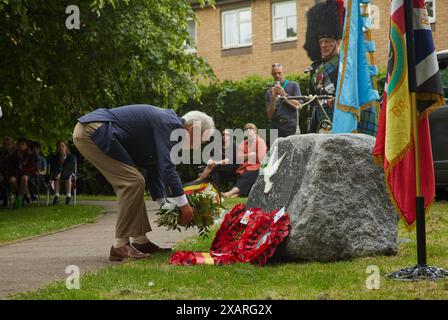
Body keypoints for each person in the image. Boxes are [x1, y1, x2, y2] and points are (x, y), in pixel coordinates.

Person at [73, 104, 215, 261]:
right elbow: (168, 169)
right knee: (133, 182)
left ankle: (140, 241)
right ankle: (120, 245)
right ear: (192, 128)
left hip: (94, 130)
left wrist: (166, 206)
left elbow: (153, 170)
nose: (200, 145)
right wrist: (184, 205)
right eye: (202, 139)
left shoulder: (169, 125)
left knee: (135, 182)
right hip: (94, 131)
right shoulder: (171, 124)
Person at [303, 0, 343, 134]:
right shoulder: (315, 68)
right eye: (321, 41)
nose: (323, 45)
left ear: (337, 42)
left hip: (338, 122)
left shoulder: (344, 65)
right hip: (319, 124)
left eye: (328, 41)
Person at [223, 123, 267, 198]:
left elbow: (261, 158)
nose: (248, 130)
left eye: (251, 128)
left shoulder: (260, 142)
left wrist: (245, 156)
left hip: (257, 167)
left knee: (250, 172)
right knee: (244, 173)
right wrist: (251, 154)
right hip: (243, 168)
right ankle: (237, 194)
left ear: (255, 130)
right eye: (246, 129)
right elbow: (239, 158)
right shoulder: (243, 143)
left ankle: (230, 193)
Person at [265, 63, 302, 138]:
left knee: (291, 149)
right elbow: (269, 115)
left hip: (290, 126)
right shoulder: (269, 91)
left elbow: (299, 106)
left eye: (279, 73)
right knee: (275, 149)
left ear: (283, 72)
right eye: (275, 73)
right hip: (274, 127)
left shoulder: (293, 85)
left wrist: (284, 95)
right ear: (271, 74)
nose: (277, 76)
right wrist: (273, 100)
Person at [8, 138, 36, 206]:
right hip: (16, 174)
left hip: (27, 175)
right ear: (16, 145)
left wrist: (22, 172)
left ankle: (20, 199)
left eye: (23, 144)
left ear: (26, 146)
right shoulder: (13, 156)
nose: (21, 146)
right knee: (12, 180)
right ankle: (24, 193)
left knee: (24, 178)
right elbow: (11, 168)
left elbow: (31, 168)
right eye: (19, 144)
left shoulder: (30, 155)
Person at [48, 141, 76, 205]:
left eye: (63, 146)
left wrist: (62, 173)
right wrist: (58, 173)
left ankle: (68, 196)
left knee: (68, 177)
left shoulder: (71, 157)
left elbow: (70, 168)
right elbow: (54, 168)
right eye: (59, 146)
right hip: (57, 173)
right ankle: (57, 196)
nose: (61, 148)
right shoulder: (54, 158)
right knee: (56, 177)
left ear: (66, 147)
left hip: (68, 173)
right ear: (57, 148)